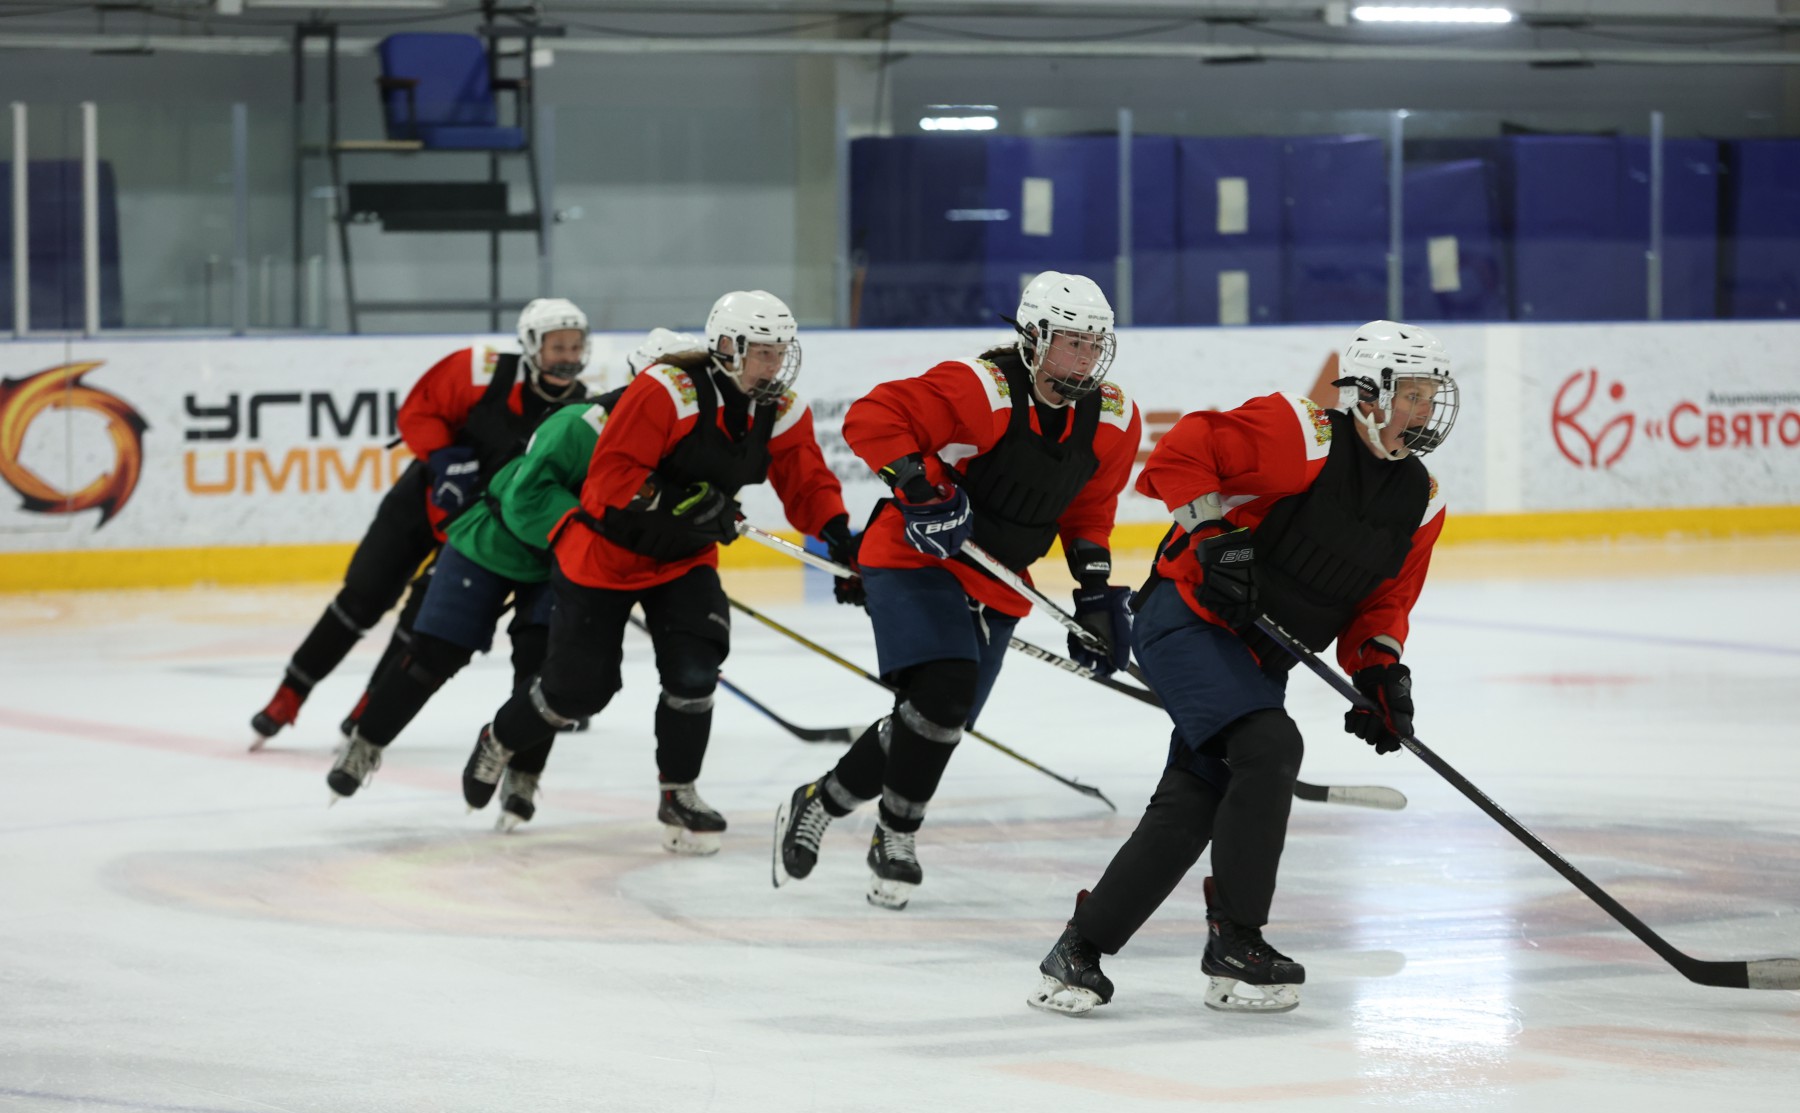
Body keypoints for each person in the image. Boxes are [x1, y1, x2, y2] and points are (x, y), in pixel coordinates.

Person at [1027, 320, 1458, 1017]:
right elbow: (1177, 455)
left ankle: (1078, 951)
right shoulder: (1302, 433)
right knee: (1269, 745)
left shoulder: (1422, 500)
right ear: (1370, 395)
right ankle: (1237, 938)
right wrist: (1213, 535)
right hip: (1184, 620)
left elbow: (1384, 603)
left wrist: (1380, 672)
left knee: (1196, 800)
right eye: (1412, 392)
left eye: (1432, 393)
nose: (1426, 408)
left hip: (1259, 655)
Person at [771, 271, 1143, 910]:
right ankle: (895, 835)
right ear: (1034, 338)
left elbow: (1090, 509)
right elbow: (872, 417)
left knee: (936, 719)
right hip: (916, 558)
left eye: (1093, 344)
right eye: (1070, 343)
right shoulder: (984, 387)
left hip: (999, 580)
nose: (1084, 358)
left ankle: (822, 799)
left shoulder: (1113, 416)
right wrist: (919, 488)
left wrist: (1095, 594)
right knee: (942, 696)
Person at [458, 291, 852, 855]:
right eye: (763, 352)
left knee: (695, 672)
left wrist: (838, 535)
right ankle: (498, 739)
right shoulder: (669, 392)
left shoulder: (781, 407)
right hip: (604, 557)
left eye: (781, 350)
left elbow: (807, 482)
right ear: (726, 347)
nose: (776, 364)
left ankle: (678, 791)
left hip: (683, 560)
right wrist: (680, 500)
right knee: (577, 692)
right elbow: (609, 479)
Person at [324, 330, 704, 830]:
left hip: (559, 558)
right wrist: (581, 524)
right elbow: (525, 496)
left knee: (546, 669)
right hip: (497, 539)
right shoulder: (581, 425)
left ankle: (522, 776)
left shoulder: (685, 441)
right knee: (433, 654)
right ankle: (365, 743)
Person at [249, 299, 592, 746]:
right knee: (359, 602)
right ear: (530, 345)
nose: (567, 357)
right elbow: (416, 412)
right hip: (418, 506)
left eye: (574, 347)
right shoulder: (479, 370)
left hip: (474, 538)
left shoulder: (581, 411)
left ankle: (368, 709)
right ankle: (288, 696)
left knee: (421, 626)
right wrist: (446, 458)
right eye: (557, 347)